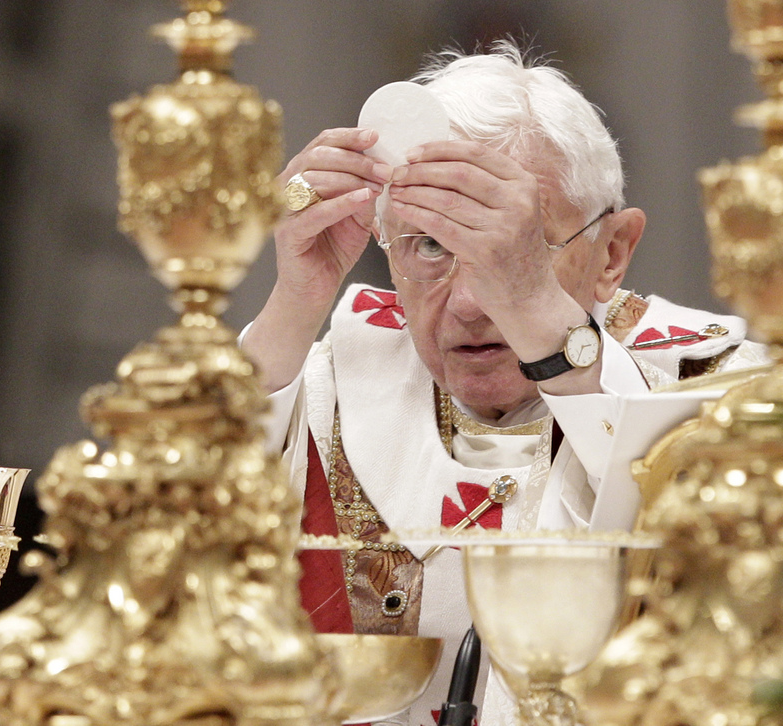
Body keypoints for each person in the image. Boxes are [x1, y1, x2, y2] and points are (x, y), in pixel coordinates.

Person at [240, 43, 768, 725]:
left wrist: (547, 330)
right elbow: (184, 545)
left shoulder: (721, 389)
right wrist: (293, 301)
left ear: (612, 253)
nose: (469, 302)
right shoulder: (332, 378)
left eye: (511, 248)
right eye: (430, 245)